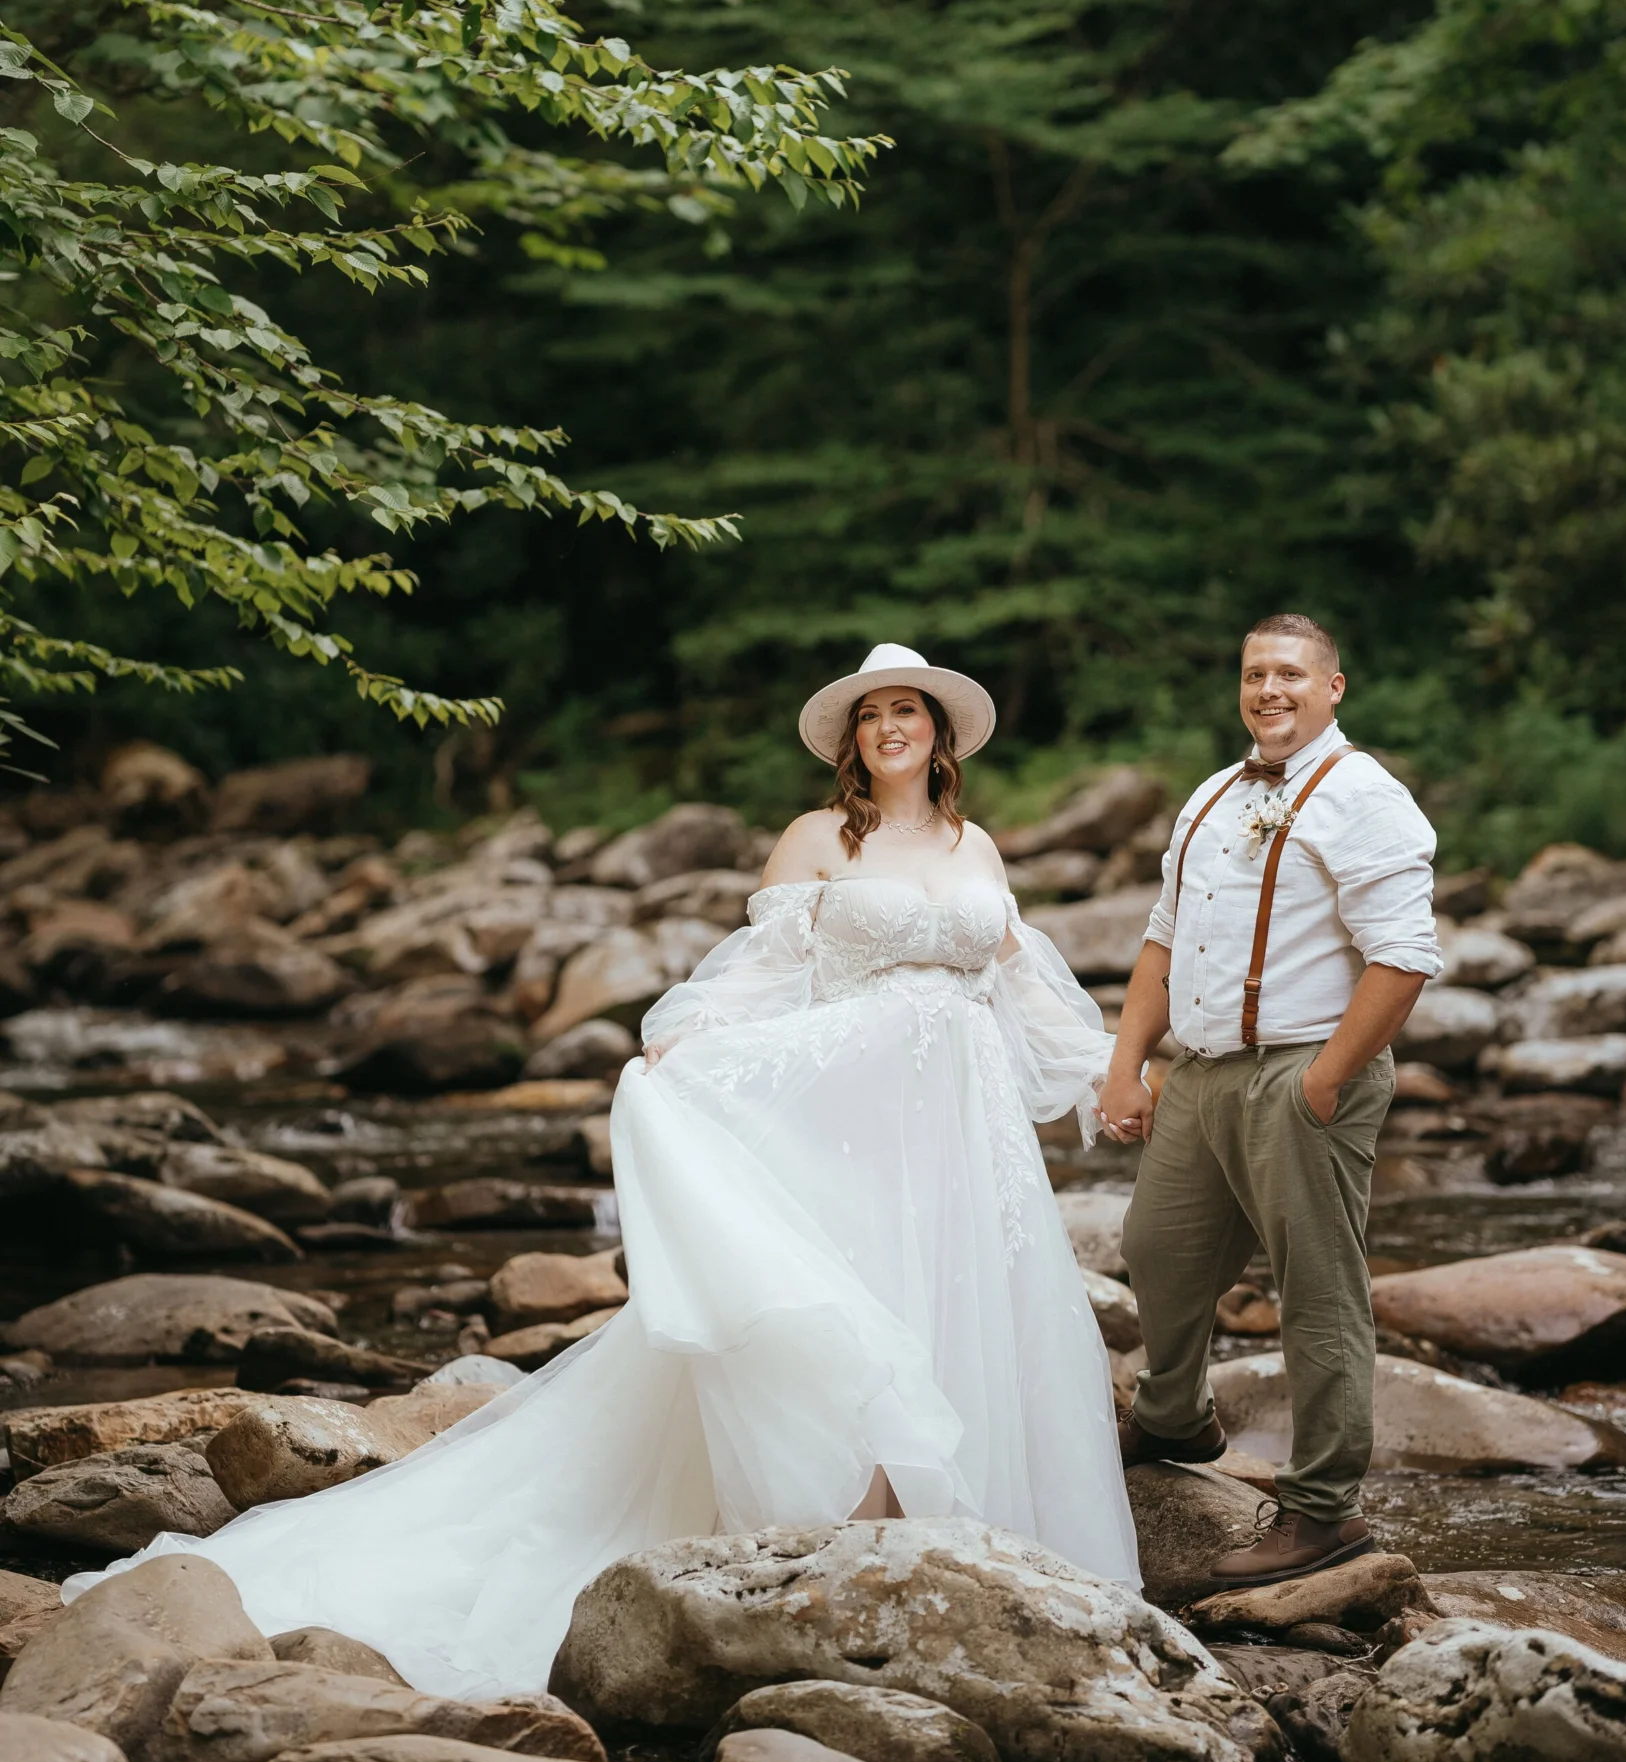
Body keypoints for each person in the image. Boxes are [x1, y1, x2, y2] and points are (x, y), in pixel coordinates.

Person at [69, 642, 1137, 1692]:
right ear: (852, 740)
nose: (889, 726)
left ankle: (948, 1529)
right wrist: (690, 1041)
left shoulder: (975, 845)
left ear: (940, 731)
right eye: (871, 714)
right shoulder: (819, 836)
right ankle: (859, 1526)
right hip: (854, 1108)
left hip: (959, 1122)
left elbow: (1019, 980)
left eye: (907, 709)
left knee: (962, 1299)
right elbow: (759, 971)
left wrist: (1110, 1071)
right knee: (857, 1296)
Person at [1097, 615, 1440, 1588]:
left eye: (1290, 672)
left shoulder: (1365, 796)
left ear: (1335, 688)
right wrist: (1129, 1062)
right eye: (1254, 673)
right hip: (1201, 1073)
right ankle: (1173, 1416)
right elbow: (1163, 940)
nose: (1269, 688)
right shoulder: (1211, 794)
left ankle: (1322, 1510)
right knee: (1155, 1251)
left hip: (1301, 1069)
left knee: (1318, 1292)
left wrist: (1326, 1078)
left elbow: (1405, 954)